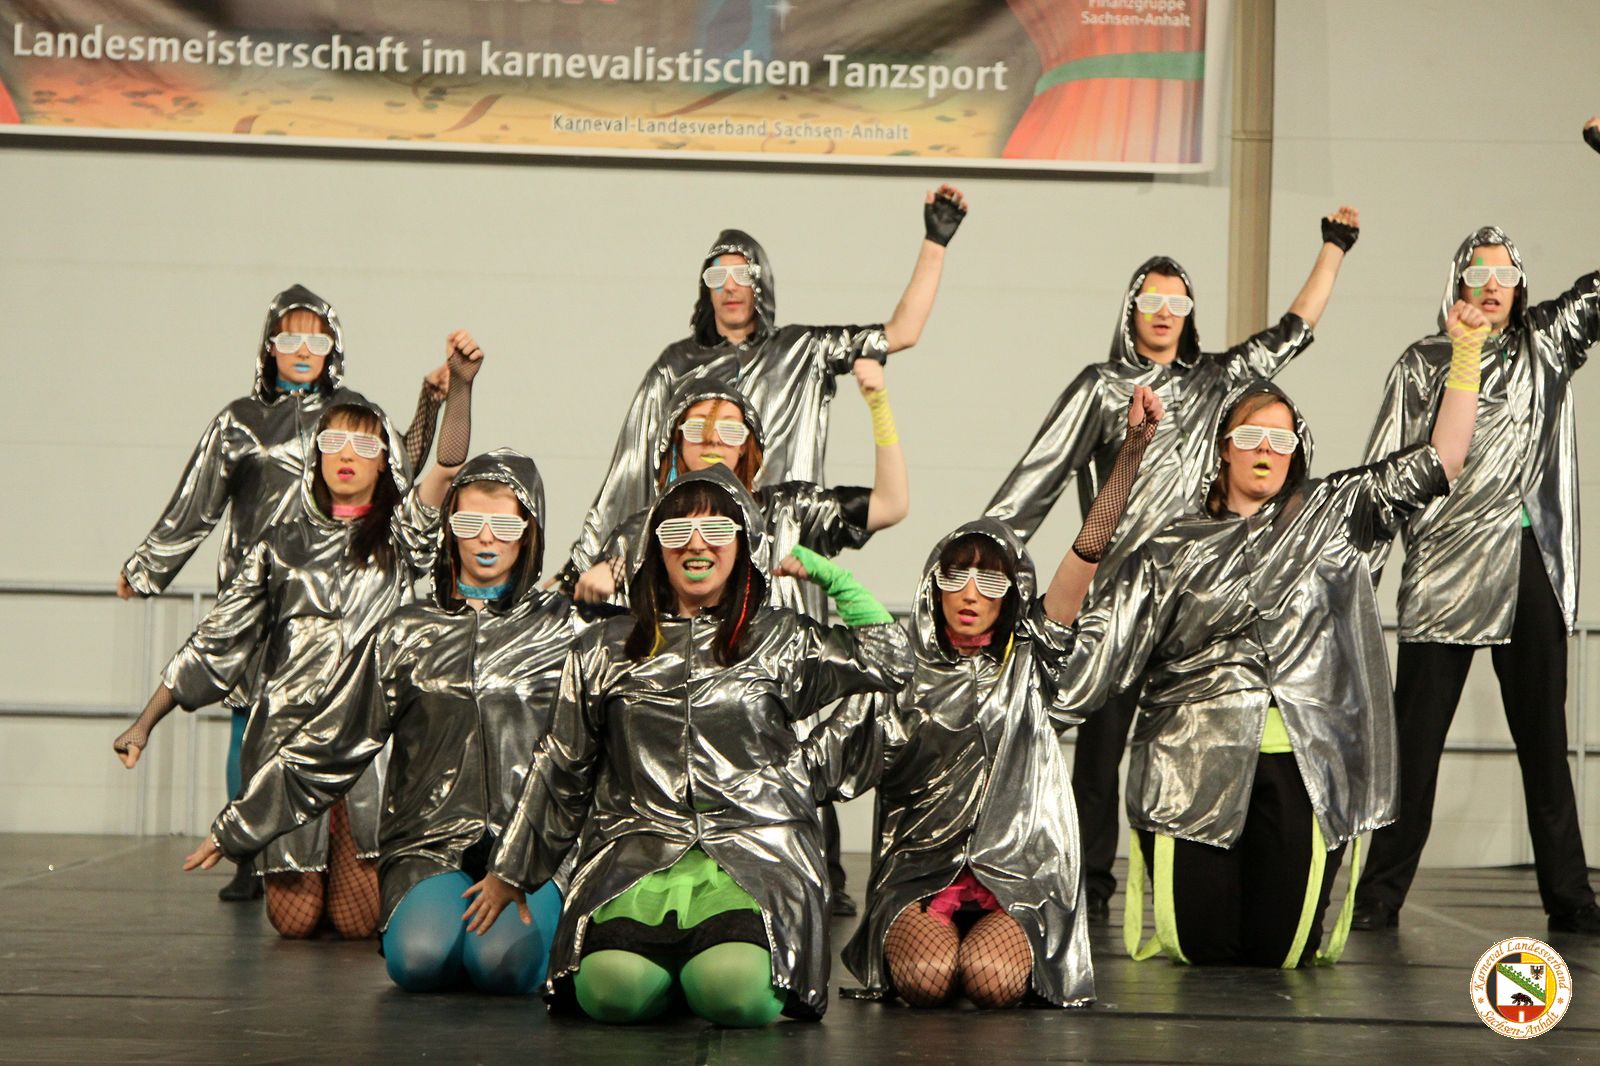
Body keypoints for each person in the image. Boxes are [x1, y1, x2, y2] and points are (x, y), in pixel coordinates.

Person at [1060, 311, 1481, 966]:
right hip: (1192, 762)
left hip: (1303, 763)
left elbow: (1444, 457)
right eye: (1251, 435)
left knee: (1279, 952)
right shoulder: (1172, 545)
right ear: (1223, 448)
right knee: (1200, 948)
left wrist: (1468, 352)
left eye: (1280, 439)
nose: (1265, 449)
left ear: (1297, 452)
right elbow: (1094, 639)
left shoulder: (1335, 513)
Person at [984, 208, 1361, 919]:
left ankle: (1186, 881)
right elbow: (1037, 477)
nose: (1164, 313)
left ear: (1191, 314)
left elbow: (1294, 331)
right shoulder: (1102, 386)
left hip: (1199, 606)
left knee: (1191, 750)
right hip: (1123, 600)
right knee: (1099, 754)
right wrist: (985, 556)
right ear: (1131, 310)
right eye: (1151, 300)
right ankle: (1087, 881)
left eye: (1177, 302)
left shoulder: (1220, 380)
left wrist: (1334, 249)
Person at [461, 466, 912, 1025]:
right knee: (611, 993)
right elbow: (562, 764)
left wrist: (829, 576)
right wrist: (511, 870)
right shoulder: (605, 648)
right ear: (656, 548)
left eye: (717, 531)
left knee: (733, 993)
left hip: (756, 854)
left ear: (743, 544)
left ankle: (696, 971)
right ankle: (670, 973)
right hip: (636, 852)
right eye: (677, 532)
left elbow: (890, 662)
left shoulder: (778, 639)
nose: (697, 546)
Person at [114, 344, 481, 937]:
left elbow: (446, 466)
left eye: (364, 445)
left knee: (359, 924)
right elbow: (217, 637)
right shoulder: (279, 543)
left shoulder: (400, 536)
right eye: (334, 442)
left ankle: (351, 852)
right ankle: (308, 853)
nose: (347, 455)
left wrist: (460, 386)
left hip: (367, 745)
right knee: (295, 922)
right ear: (316, 456)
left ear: (385, 463)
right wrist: (145, 722)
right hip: (286, 739)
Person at [182, 449, 576, 991]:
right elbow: (330, 742)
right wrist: (239, 825)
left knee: (500, 966)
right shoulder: (405, 632)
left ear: (530, 531)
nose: (486, 538)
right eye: (469, 522)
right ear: (449, 527)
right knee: (419, 961)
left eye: (505, 524)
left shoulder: (567, 632)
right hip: (428, 846)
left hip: (532, 848)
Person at [844, 387, 1162, 1010]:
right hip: (920, 872)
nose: (970, 593)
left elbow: (1085, 554)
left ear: (1011, 592)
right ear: (934, 587)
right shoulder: (904, 665)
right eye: (956, 576)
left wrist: (1130, 454)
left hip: (1017, 875)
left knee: (992, 981)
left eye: (989, 579)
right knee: (927, 979)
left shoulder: (1032, 657)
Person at [1355, 128, 1600, 935]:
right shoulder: (1423, 361)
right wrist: (1355, 580)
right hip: (1443, 568)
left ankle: (1571, 897)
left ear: (1522, 287)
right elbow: (1385, 474)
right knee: (1416, 745)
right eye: (1478, 273)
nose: (1492, 286)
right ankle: (1380, 892)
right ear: (1456, 283)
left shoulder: (1547, 345)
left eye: (1505, 274)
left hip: (1527, 562)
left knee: (1544, 744)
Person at [572, 371, 908, 916]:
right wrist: (593, 590)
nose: (711, 440)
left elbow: (891, 505)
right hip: (667, 783)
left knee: (780, 913)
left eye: (729, 430)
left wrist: (878, 404)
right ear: (673, 445)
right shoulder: (640, 530)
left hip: (774, 743)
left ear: (752, 445)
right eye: (696, 429)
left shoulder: (790, 511)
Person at [556, 185, 966, 591]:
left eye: (743, 275)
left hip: (784, 550)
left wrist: (935, 242)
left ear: (761, 282)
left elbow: (901, 332)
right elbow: (630, 466)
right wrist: (580, 568)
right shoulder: (675, 365)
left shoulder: (803, 350)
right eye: (718, 276)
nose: (730, 287)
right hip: (696, 548)